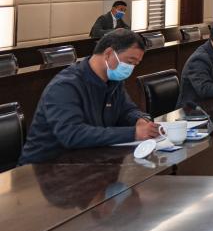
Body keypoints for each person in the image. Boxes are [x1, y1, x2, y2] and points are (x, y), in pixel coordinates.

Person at [19, 29, 162, 164]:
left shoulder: (114, 81)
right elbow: (72, 134)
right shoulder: (65, 86)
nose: (131, 68)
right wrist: (133, 133)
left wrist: (139, 120)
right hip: (44, 168)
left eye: (135, 64)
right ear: (108, 54)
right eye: (129, 62)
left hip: (87, 161)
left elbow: (126, 110)